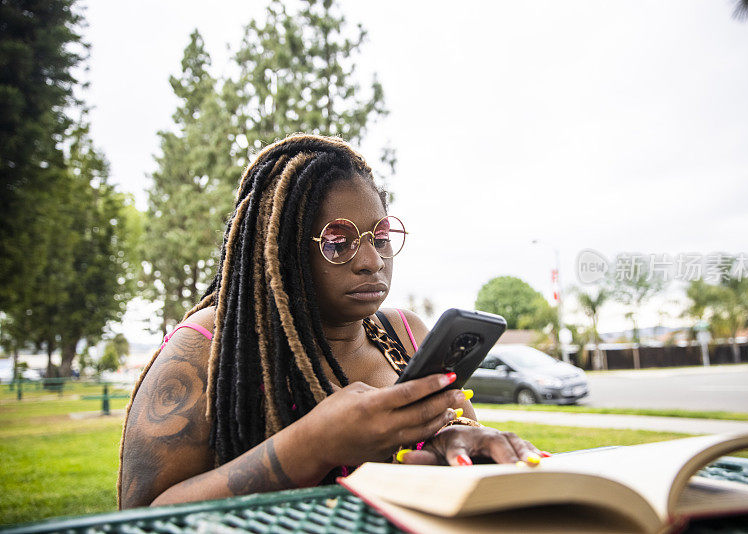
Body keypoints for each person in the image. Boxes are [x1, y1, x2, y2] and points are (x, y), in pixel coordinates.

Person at [118, 134, 543, 509]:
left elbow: (459, 424)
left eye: (380, 236)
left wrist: (453, 442)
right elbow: (141, 514)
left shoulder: (406, 333)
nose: (372, 261)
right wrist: (314, 444)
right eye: (338, 242)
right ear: (280, 250)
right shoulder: (207, 345)